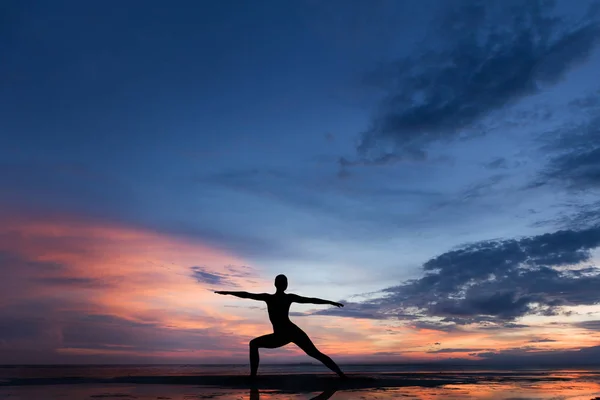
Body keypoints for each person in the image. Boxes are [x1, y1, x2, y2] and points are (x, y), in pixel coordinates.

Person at [215, 274, 346, 378]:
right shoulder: (270, 298)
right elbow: (247, 295)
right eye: (283, 282)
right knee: (254, 344)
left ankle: (341, 375)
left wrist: (329, 302)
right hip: (281, 335)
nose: (284, 284)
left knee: (315, 353)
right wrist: (227, 292)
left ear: (278, 285)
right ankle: (253, 376)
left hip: (291, 332)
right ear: (281, 285)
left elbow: (310, 300)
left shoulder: (283, 298)